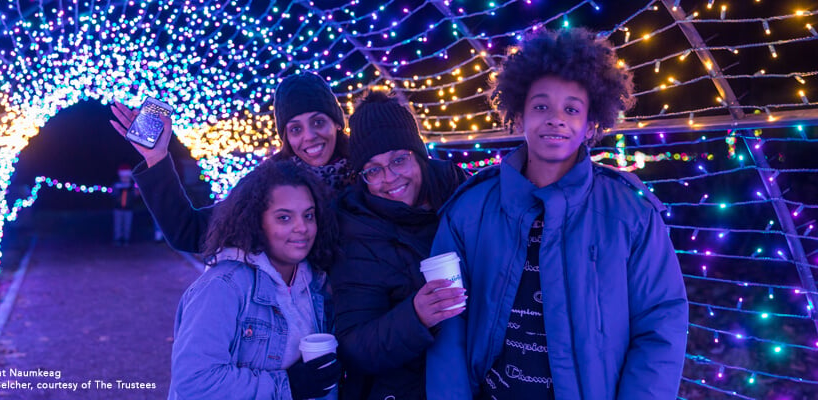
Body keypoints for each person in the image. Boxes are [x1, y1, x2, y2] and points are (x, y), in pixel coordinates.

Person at [426, 28, 689, 399]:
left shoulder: (630, 213)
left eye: (571, 109)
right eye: (541, 106)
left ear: (591, 123)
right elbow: (448, 326)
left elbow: (661, 324)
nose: (555, 119)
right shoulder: (470, 209)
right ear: (517, 116)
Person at [109, 72, 354, 254]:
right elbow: (189, 232)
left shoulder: (371, 175)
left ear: (337, 124)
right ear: (286, 137)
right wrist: (156, 158)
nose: (309, 135)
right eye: (296, 128)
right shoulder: (267, 186)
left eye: (318, 122)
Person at [329, 91, 468, 399]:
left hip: (483, 376)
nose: (389, 178)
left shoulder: (464, 196)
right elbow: (353, 347)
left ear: (418, 155)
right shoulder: (356, 234)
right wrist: (414, 317)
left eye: (398, 160)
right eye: (373, 169)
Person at [169, 159, 341, 400]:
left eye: (309, 215)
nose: (302, 227)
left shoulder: (316, 282)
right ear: (255, 221)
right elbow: (196, 381)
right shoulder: (223, 287)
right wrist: (288, 386)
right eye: (284, 218)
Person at [111, 164, 138, 246]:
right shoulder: (116, 186)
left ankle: (126, 239)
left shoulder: (132, 186)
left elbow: (136, 195)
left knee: (127, 224)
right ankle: (117, 239)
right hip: (118, 208)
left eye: (127, 177)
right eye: (123, 177)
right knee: (117, 224)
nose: (125, 179)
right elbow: (113, 194)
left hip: (128, 208)